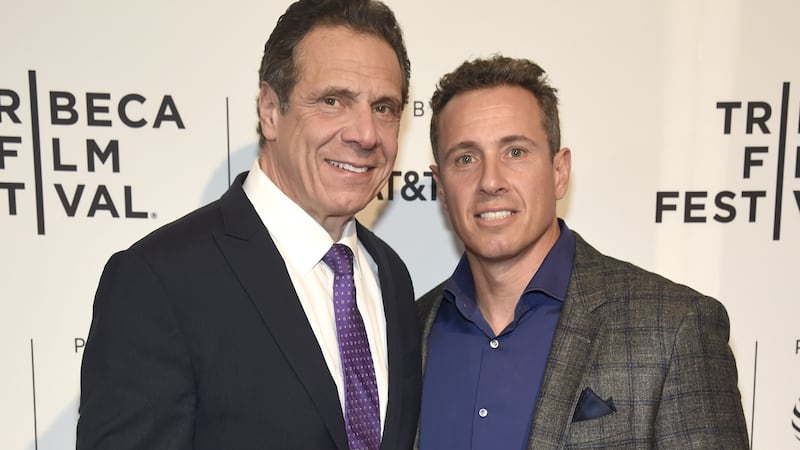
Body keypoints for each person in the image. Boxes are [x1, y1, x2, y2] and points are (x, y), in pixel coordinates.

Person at [77, 1, 421, 449]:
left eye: (384, 107)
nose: (365, 133)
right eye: (333, 101)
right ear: (271, 111)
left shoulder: (390, 275)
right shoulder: (160, 281)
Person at [416, 55, 749, 449]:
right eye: (466, 158)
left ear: (559, 172)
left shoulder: (673, 329)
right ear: (440, 184)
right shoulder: (407, 332)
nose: (490, 181)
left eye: (516, 152)